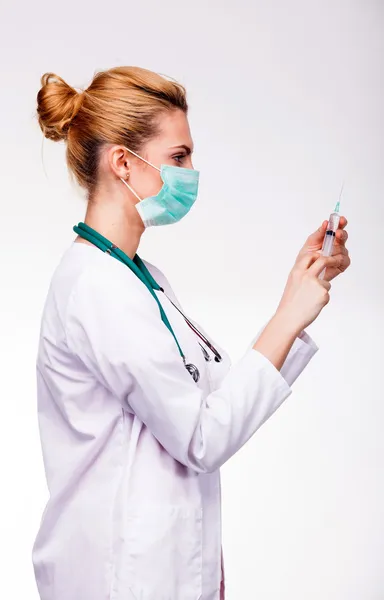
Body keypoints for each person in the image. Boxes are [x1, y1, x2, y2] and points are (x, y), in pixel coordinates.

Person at [32, 66, 350, 600]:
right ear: (122, 164)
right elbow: (203, 438)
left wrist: (298, 289)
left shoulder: (142, 279)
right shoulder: (96, 287)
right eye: (179, 157)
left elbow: (221, 397)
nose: (191, 172)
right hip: (120, 577)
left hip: (159, 567)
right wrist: (289, 316)